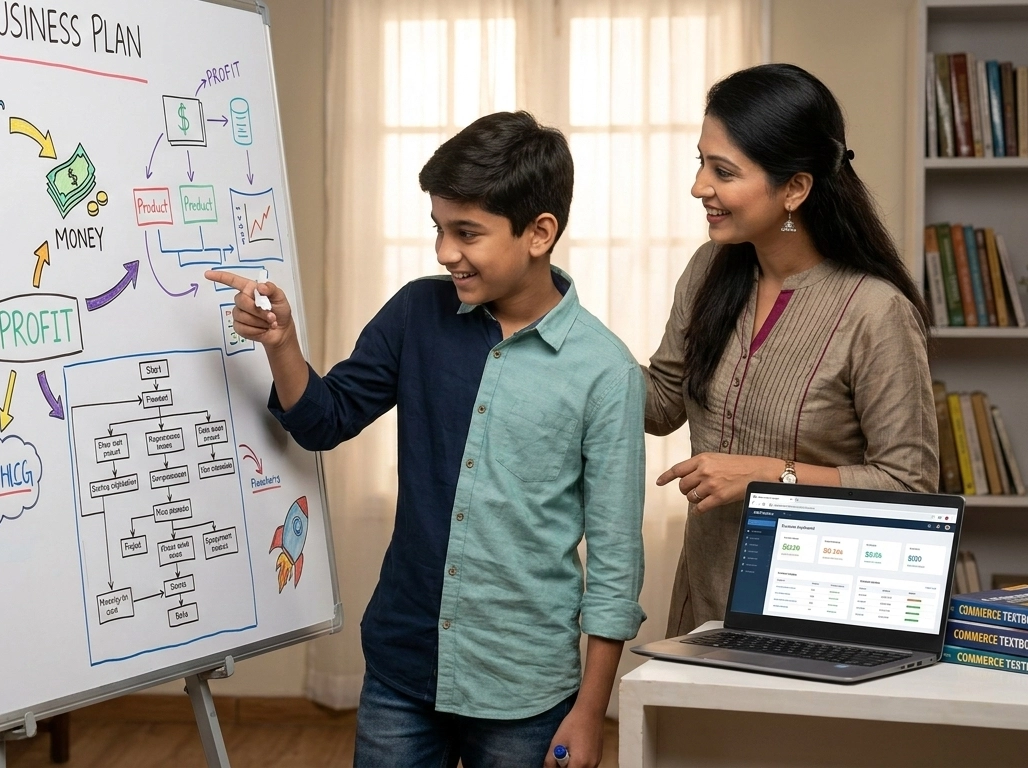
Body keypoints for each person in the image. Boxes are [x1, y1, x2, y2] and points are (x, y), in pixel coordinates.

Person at [208, 111, 645, 768]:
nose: (445, 251)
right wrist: (282, 344)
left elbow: (615, 564)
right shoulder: (417, 311)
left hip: (527, 691)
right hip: (401, 670)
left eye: (466, 233)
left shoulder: (606, 371)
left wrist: (590, 712)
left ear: (539, 233)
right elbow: (324, 419)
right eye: (439, 229)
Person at [643, 64, 939, 637]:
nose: (700, 186)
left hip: (820, 618)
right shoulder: (709, 272)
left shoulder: (874, 311)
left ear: (795, 188)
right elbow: (660, 403)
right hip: (706, 607)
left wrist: (769, 476)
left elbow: (911, 486)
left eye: (722, 171)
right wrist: (551, 322)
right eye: (700, 163)